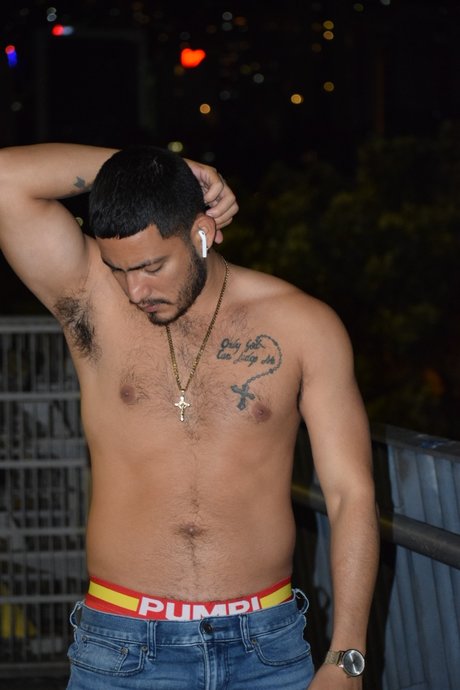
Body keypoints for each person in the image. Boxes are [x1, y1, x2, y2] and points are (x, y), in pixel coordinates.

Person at [0, 142, 379, 690]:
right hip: (123, 646)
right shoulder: (92, 299)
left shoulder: (302, 325)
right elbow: (6, 178)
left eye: (152, 266)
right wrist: (169, 171)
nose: (136, 290)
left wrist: (346, 657)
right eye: (118, 269)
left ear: (201, 233)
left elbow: (350, 495)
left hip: (267, 648)